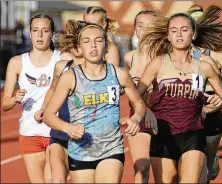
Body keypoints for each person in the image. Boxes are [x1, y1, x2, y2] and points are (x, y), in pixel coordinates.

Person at [137, 5, 222, 183]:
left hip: (193, 133)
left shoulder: (204, 66)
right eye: (174, 30)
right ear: (168, 35)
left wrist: (220, 101)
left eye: (184, 29)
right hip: (162, 133)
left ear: (193, 34)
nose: (179, 34)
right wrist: (147, 111)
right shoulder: (158, 64)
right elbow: (135, 97)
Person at [43, 21, 146, 183]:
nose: (93, 46)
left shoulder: (118, 75)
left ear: (106, 46)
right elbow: (48, 115)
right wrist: (66, 127)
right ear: (79, 48)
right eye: (87, 41)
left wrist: (136, 118)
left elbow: (139, 104)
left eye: (98, 41)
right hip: (81, 150)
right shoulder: (70, 77)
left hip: (111, 148)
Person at [1, 14, 68, 183]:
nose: (39, 35)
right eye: (35, 31)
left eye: (45, 31)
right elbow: (5, 104)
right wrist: (15, 98)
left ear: (52, 34)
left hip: (57, 131)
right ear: (29, 34)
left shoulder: (63, 59)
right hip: (30, 132)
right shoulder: (17, 62)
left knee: (55, 180)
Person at [187, 4, 222, 181]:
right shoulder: (177, 54)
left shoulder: (216, 54)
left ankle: (211, 160)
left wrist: (218, 93)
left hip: (210, 112)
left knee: (206, 172)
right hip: (186, 111)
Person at [33, 20, 85, 183]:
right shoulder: (61, 67)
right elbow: (53, 89)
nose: (76, 46)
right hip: (61, 133)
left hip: (87, 134)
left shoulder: (101, 72)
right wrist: (44, 108)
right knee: (57, 179)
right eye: (73, 41)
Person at [124, 10, 160, 183]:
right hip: (139, 117)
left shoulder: (166, 57)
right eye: (140, 26)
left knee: (167, 176)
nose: (145, 30)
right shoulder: (129, 58)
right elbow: (130, 92)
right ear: (135, 30)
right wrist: (144, 111)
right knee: (141, 167)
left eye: (150, 26)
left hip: (166, 117)